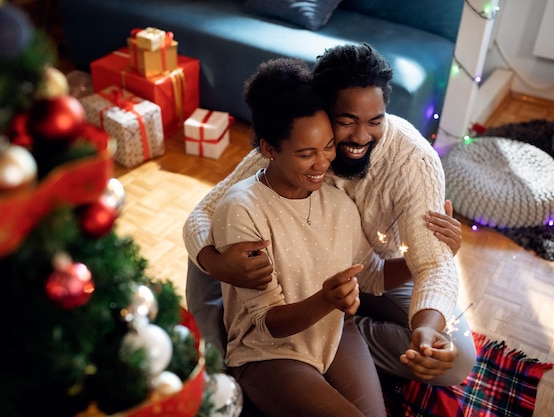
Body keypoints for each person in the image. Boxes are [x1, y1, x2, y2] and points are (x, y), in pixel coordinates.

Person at [184, 43, 477, 386]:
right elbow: (202, 213)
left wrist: (426, 329)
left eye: (375, 120)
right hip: (296, 274)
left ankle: (334, 333)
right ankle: (216, 362)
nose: (361, 136)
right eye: (347, 121)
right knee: (213, 243)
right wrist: (215, 262)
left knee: (456, 358)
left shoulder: (415, 162)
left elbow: (429, 264)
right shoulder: (293, 146)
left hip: (374, 272)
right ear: (323, 111)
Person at [213, 57, 388, 417]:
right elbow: (270, 322)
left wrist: (431, 256)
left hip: (334, 333)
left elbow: (370, 274)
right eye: (306, 154)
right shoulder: (242, 209)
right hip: (266, 352)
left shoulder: (339, 202)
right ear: (269, 149)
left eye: (327, 146)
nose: (323, 163)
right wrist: (327, 298)